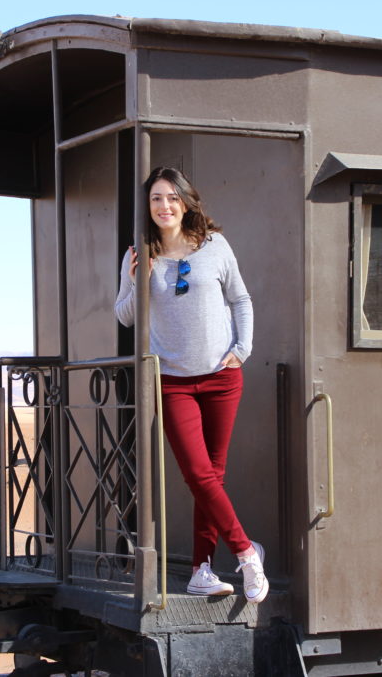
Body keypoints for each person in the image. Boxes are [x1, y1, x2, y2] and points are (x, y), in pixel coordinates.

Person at [114, 166, 268, 604]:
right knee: (199, 474)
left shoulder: (215, 246)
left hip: (222, 378)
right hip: (173, 381)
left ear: (186, 202)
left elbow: (241, 298)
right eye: (156, 199)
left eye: (171, 198)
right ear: (148, 208)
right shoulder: (140, 253)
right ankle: (245, 552)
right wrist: (137, 282)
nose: (164, 206)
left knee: (211, 476)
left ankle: (202, 568)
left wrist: (244, 347)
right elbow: (124, 315)